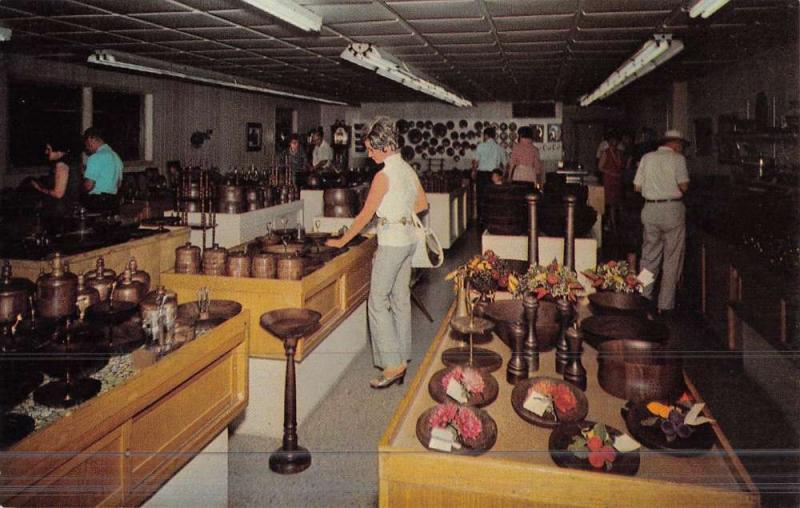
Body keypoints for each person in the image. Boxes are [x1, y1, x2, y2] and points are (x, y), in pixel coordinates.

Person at [326, 117, 427, 389]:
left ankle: (392, 364)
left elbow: (364, 217)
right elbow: (422, 203)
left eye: (371, 148)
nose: (368, 154)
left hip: (392, 244)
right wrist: (399, 213)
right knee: (400, 298)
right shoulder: (407, 169)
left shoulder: (383, 176)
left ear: (383, 146)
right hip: (408, 241)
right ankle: (402, 357)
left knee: (377, 301)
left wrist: (342, 240)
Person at [633, 129, 690, 315]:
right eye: (680, 144)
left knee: (649, 256)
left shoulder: (647, 158)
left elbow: (637, 187)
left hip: (650, 209)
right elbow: (684, 186)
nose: (681, 148)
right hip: (672, 210)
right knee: (672, 259)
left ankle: (643, 295)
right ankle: (665, 305)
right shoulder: (678, 159)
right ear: (674, 144)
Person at [31, 138, 82, 224]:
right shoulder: (71, 161)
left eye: (48, 149)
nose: (46, 152)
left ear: (57, 149)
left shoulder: (61, 165)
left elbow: (58, 194)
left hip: (59, 212)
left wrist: (39, 188)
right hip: (66, 210)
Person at [471, 127, 507, 224]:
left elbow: (475, 162)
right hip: (494, 175)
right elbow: (505, 164)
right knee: (492, 197)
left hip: (481, 175)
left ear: (486, 135)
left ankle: (480, 219)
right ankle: (491, 218)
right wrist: (502, 176)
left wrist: (473, 172)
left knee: (480, 197)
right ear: (494, 136)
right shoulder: (500, 148)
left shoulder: (481, 146)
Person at [82, 127, 123, 195]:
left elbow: (89, 186)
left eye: (86, 143)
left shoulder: (94, 157)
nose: (86, 147)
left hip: (96, 200)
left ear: (90, 139)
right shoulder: (116, 157)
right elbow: (119, 184)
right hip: (112, 201)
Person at [598, 134, 624, 231]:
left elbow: (620, 166)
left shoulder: (619, 153)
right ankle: (609, 224)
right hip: (609, 179)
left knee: (615, 202)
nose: (614, 144)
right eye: (612, 142)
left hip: (617, 180)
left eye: (615, 142)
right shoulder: (606, 152)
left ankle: (612, 223)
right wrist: (610, 172)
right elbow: (600, 167)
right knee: (609, 202)